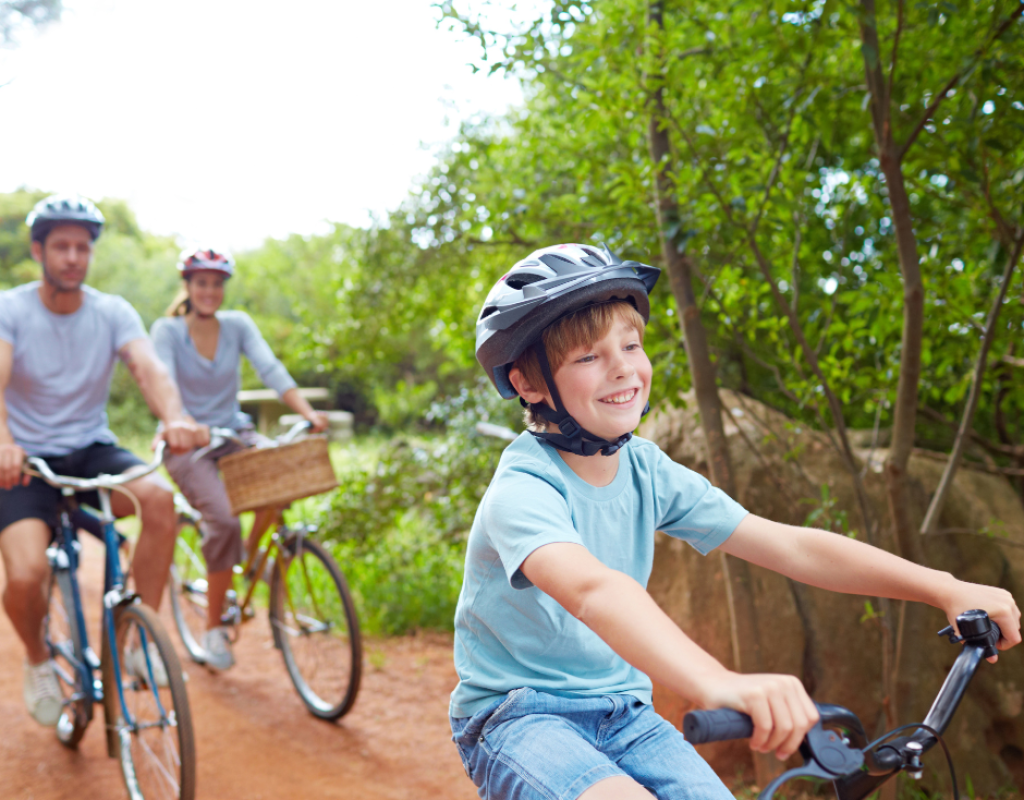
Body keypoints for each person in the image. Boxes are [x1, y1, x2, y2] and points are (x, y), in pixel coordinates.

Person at [452, 243, 1022, 800]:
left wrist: (944, 587)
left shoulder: (646, 470)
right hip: (518, 715)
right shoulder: (523, 489)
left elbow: (790, 547)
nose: (623, 369)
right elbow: (593, 590)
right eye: (588, 357)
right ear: (528, 383)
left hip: (624, 710)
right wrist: (718, 683)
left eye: (631, 344)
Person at [0, 194, 209, 728]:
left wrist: (176, 416)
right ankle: (39, 659)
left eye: (82, 247)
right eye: (61, 246)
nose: (72, 257)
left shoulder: (111, 310)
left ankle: (134, 639)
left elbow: (149, 368)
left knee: (160, 499)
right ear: (39, 250)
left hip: (91, 448)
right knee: (24, 574)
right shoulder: (11, 308)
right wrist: (4, 441)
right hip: (24, 461)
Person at [151, 246, 327, 671]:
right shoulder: (168, 331)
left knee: (283, 481)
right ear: (188, 286)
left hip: (231, 434)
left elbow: (270, 368)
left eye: (216, 283)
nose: (209, 291)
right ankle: (213, 630)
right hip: (186, 444)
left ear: (222, 287)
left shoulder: (237, 325)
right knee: (225, 520)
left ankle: (244, 567)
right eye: (201, 283)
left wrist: (306, 412)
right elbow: (163, 383)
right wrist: (182, 423)